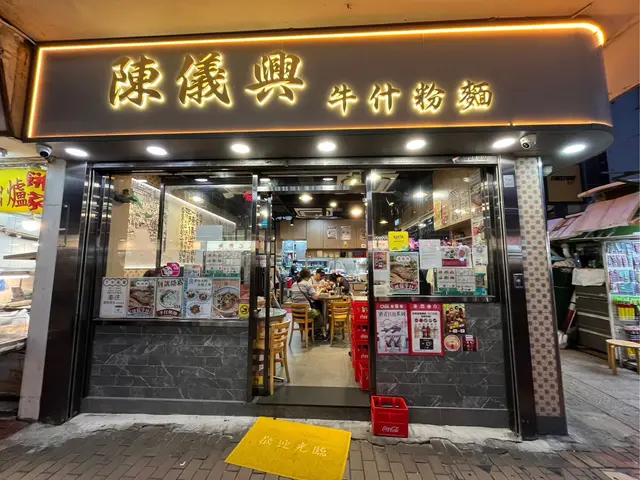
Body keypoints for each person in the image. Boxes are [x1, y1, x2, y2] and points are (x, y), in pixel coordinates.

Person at [290, 268, 326, 339]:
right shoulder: (307, 284)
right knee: (318, 314)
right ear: (308, 276)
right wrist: (321, 290)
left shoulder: (294, 284)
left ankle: (310, 331)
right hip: (305, 312)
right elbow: (315, 297)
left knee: (315, 310)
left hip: (295, 312)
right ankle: (316, 333)